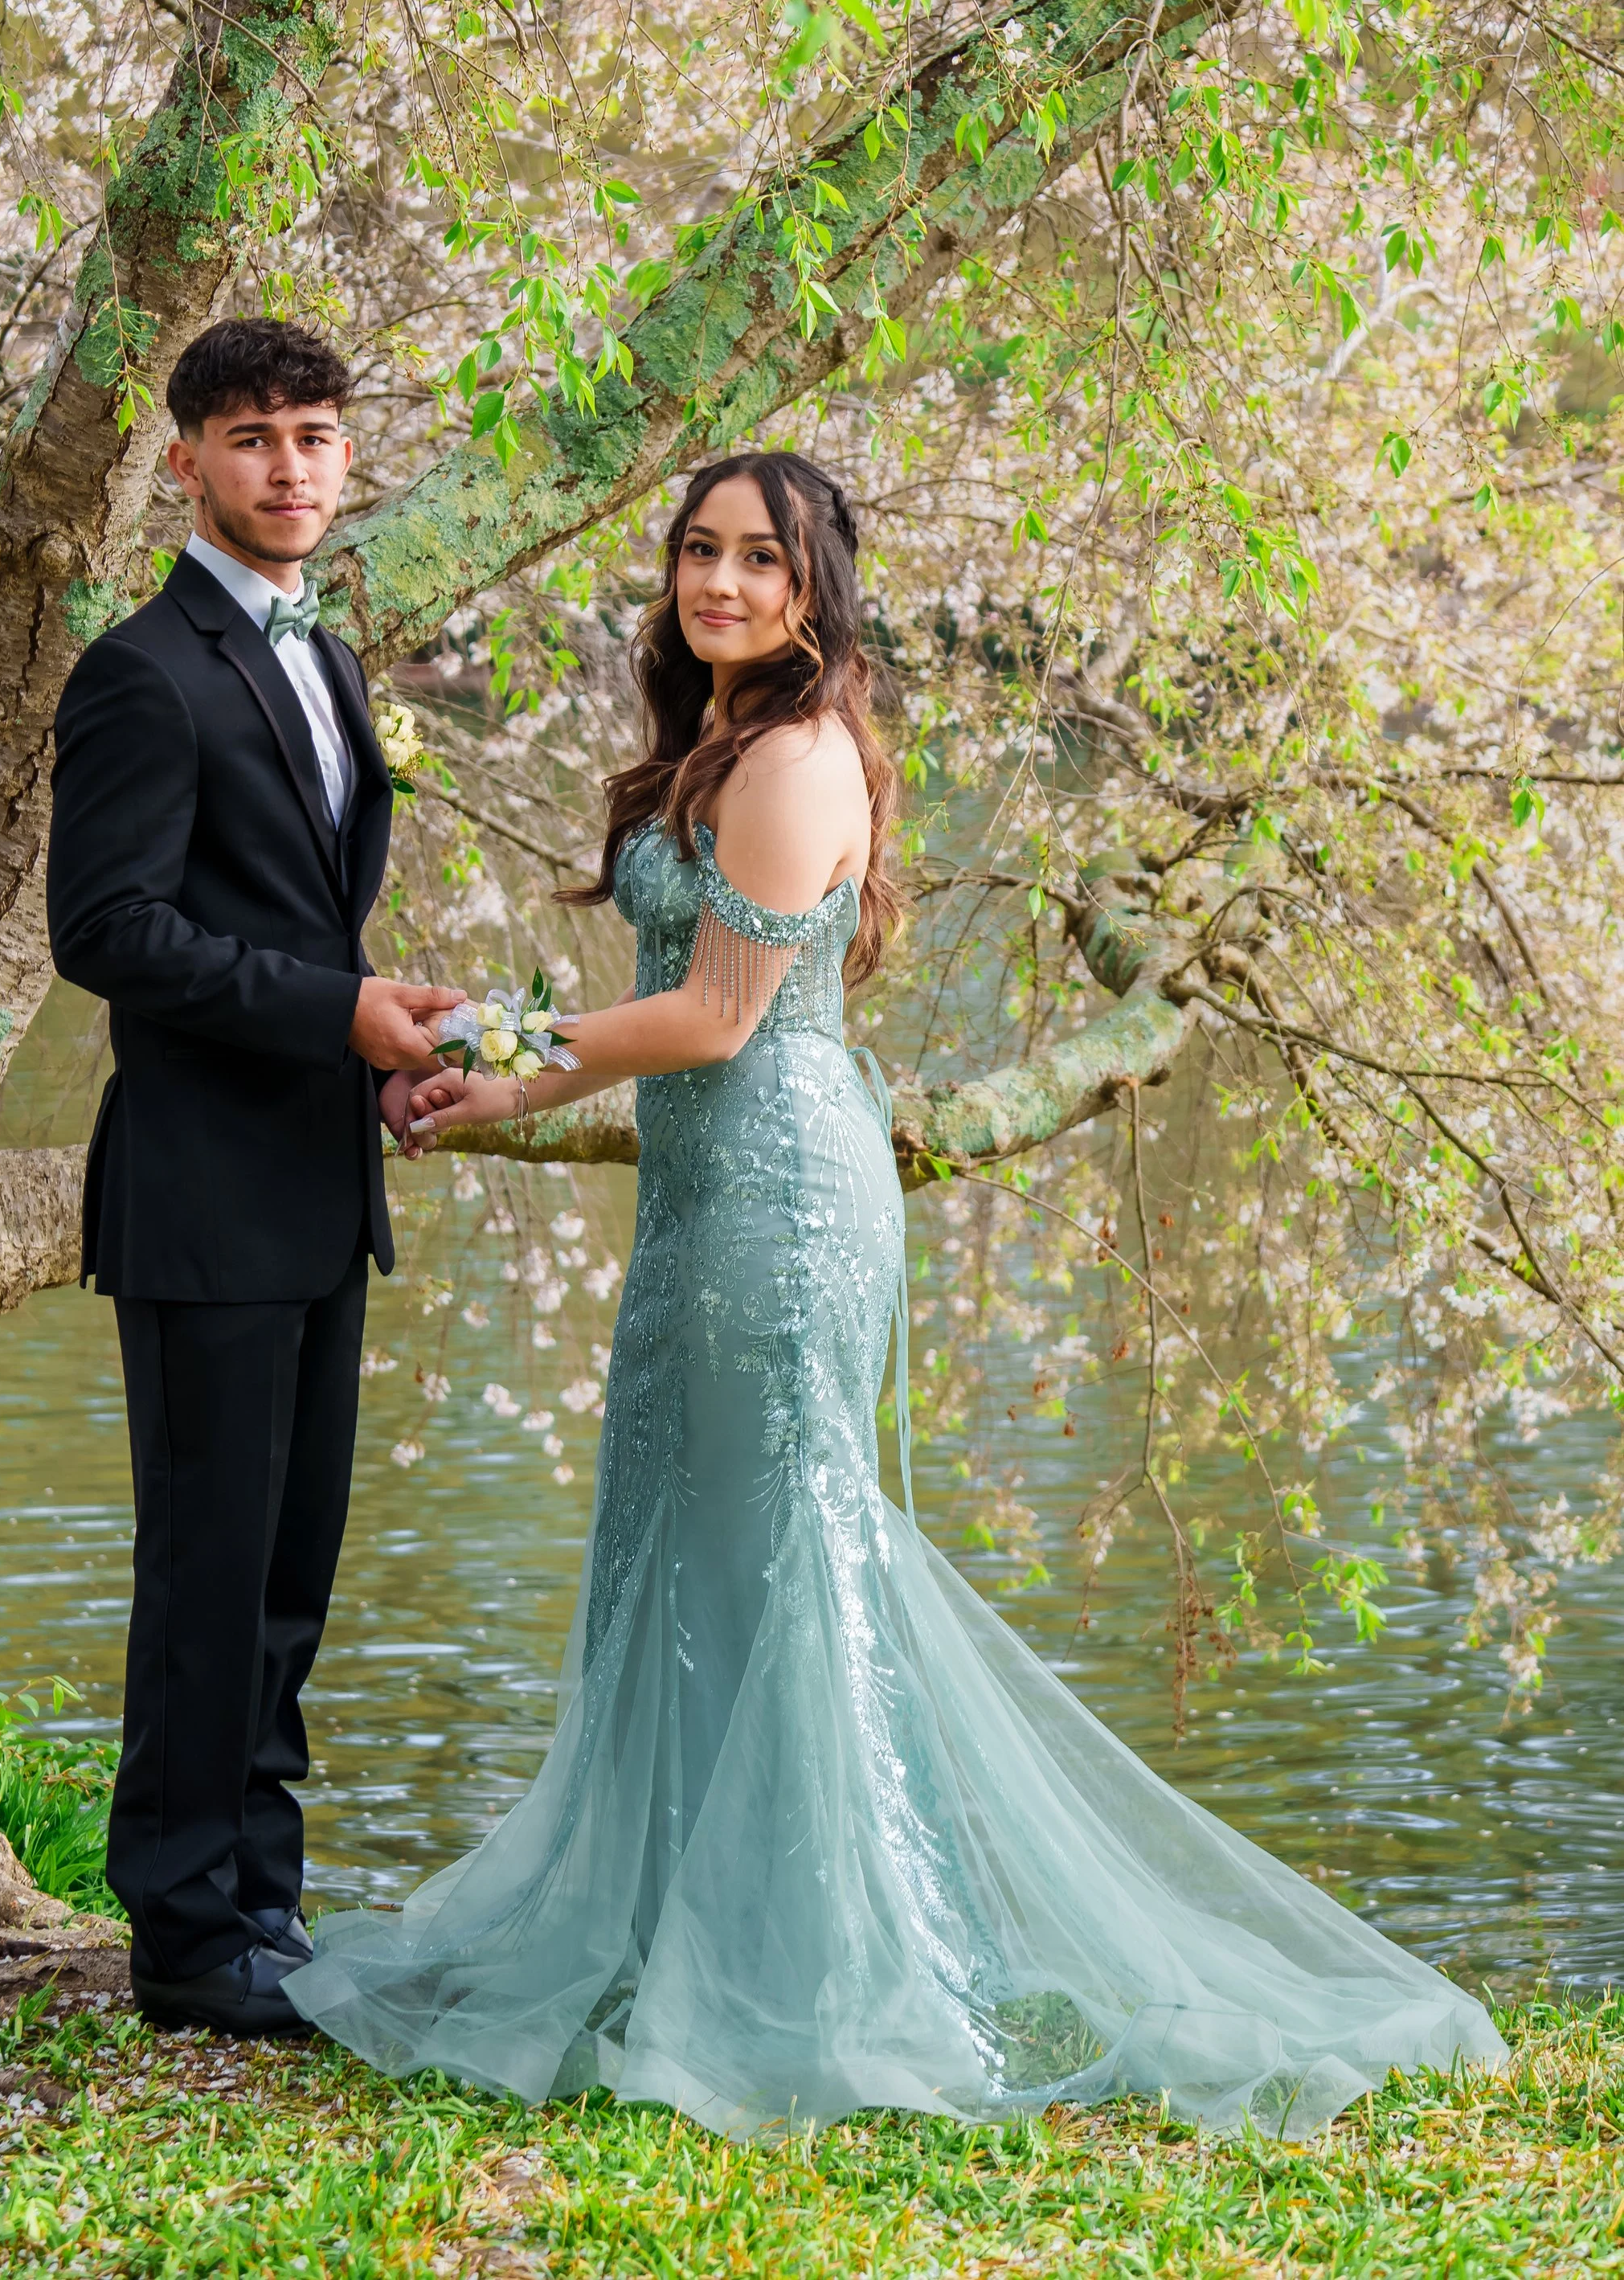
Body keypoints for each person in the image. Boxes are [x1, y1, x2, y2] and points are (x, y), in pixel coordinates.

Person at [285, 449, 1507, 2138]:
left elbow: (720, 1017)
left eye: (756, 562)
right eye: (695, 553)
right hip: (704, 1190)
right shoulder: (711, 746)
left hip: (780, 1202)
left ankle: (833, 1962)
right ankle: (690, 1931)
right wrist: (507, 1095)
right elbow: (668, 1006)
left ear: (812, 591)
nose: (716, 584)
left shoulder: (791, 758)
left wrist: (482, 1035)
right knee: (688, 1543)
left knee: (787, 1550)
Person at [47, 317, 458, 2037]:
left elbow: (295, 918)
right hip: (201, 1193)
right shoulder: (140, 670)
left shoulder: (323, 657)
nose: (289, 468)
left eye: (313, 437)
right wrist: (331, 1010)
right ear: (185, 462)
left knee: (290, 1567)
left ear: (345, 457)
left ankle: (263, 1900)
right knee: (205, 1569)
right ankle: (184, 1936)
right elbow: (108, 931)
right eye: (252, 439)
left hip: (310, 1180)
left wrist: (379, 1050)